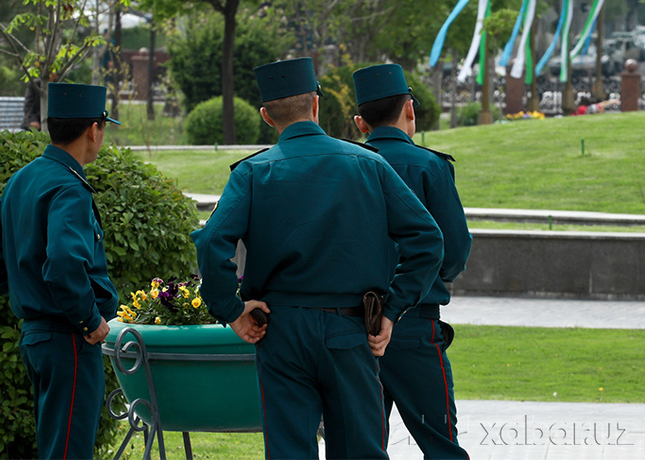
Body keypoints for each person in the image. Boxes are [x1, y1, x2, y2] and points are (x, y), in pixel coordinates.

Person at [191, 57, 445, 459]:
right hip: (350, 327)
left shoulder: (252, 173)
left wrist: (231, 309)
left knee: (289, 450)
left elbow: (210, 243)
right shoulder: (369, 164)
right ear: (316, 104)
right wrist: (393, 309)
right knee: (358, 450)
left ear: (265, 116)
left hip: (281, 329)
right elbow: (428, 240)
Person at [0, 83, 121, 459]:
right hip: (69, 338)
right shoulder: (69, 187)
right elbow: (65, 262)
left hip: (38, 338)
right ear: (93, 128)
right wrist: (89, 320)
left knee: (56, 446)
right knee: (69, 451)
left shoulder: (25, 177)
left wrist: (30, 291)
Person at [352, 64, 472, 459]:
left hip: (349, 325)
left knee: (359, 446)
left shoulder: (344, 164)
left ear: (359, 122)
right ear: (410, 110)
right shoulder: (431, 166)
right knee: (440, 445)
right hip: (415, 323)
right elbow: (452, 250)